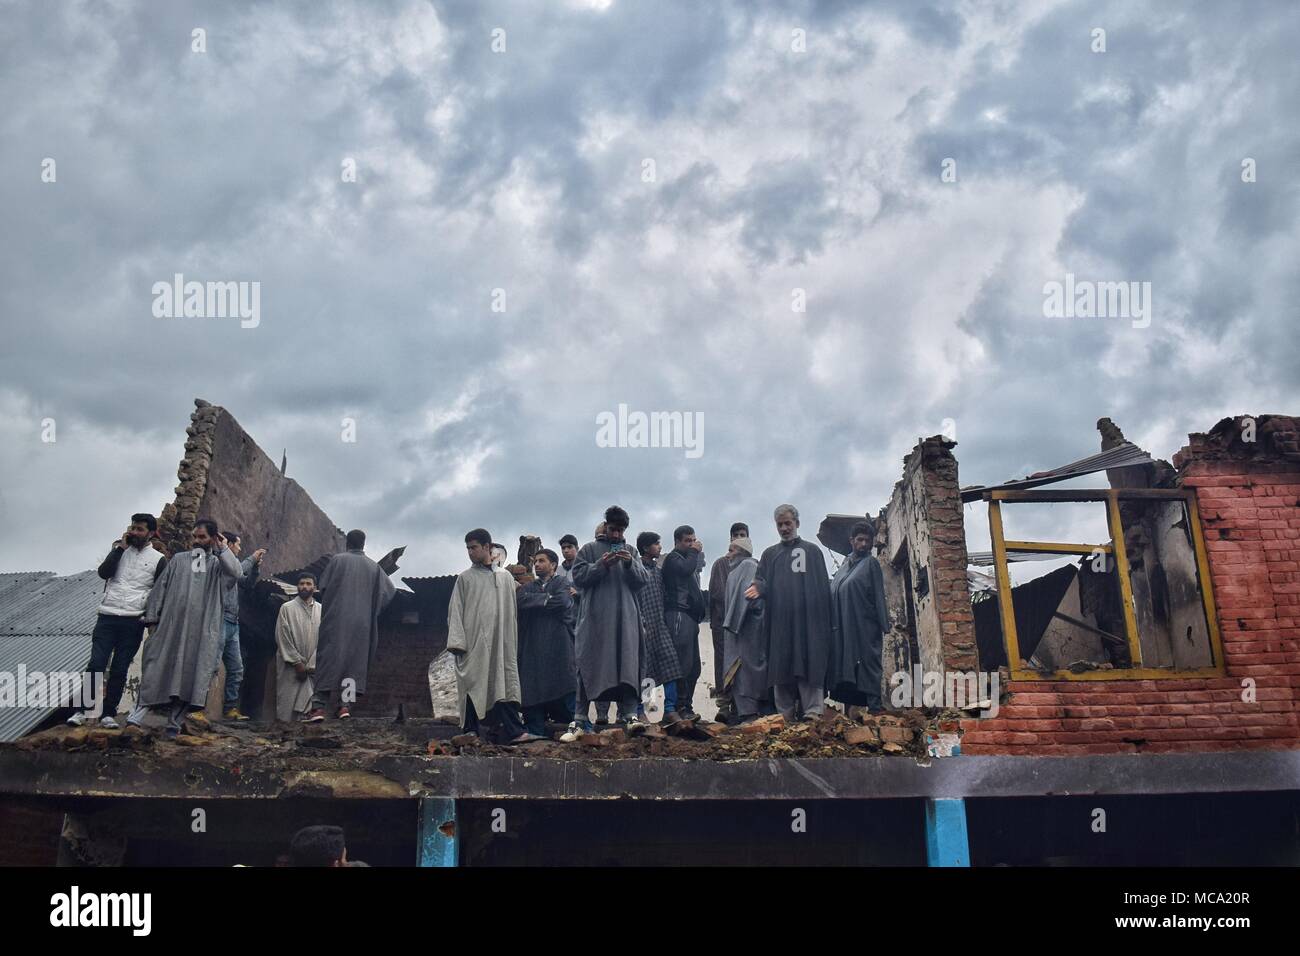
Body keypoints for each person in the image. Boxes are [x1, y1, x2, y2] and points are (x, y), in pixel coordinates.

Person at [128, 519, 240, 737]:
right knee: (156, 671)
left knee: (191, 676)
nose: (197, 541)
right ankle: (135, 719)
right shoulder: (179, 560)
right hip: (171, 629)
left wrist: (223, 548)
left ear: (213, 538)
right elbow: (160, 589)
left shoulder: (219, 566)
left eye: (202, 537)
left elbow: (236, 574)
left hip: (200, 633)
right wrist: (152, 620)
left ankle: (174, 724)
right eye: (195, 537)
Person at [68, 514, 168, 729]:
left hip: (134, 620)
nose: (134, 532)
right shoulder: (119, 551)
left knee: (120, 668)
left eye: (140, 529)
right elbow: (104, 573)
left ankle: (108, 713)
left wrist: (152, 620)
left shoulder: (158, 559)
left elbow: (159, 592)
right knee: (96, 663)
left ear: (150, 533)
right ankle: (83, 710)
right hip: (107, 615)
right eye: (133, 527)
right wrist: (120, 548)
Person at [562, 506, 648, 740]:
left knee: (628, 664)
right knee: (588, 663)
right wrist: (602, 565)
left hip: (625, 621)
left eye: (620, 531)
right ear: (605, 526)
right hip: (595, 621)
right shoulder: (589, 550)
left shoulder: (631, 551)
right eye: (613, 530)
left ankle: (630, 715)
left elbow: (643, 580)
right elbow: (579, 578)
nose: (616, 535)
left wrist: (630, 563)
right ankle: (580, 719)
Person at [745, 504, 831, 721]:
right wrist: (758, 588)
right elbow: (761, 579)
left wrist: (823, 622)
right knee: (781, 666)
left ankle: (812, 712)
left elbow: (823, 589)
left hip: (808, 623)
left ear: (797, 524)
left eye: (788, 523)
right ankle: (784, 716)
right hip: (780, 622)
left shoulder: (812, 552)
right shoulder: (769, 554)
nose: (784, 528)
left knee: (809, 662)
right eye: (780, 524)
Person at [447, 529, 532, 744]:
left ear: (487, 547)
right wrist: (458, 642)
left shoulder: (504, 577)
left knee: (503, 683)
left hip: (501, 642)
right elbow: (455, 610)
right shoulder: (464, 578)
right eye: (467, 548)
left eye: (473, 547)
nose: (470, 552)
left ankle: (514, 731)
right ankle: (470, 731)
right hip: (474, 642)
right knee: (472, 683)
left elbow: (513, 608)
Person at [303, 529, 396, 722]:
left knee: (329, 659)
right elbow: (389, 591)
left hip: (336, 620)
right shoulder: (374, 568)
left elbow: (324, 586)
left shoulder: (337, 560)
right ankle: (345, 707)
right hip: (362, 625)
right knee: (354, 663)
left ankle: (319, 707)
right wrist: (371, 609)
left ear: (347, 543)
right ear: (363, 544)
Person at [827, 520, 890, 712]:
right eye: (860, 540)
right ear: (851, 541)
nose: (864, 544)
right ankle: (848, 713)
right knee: (846, 665)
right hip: (843, 626)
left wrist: (883, 624)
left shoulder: (870, 563)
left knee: (868, 663)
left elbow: (879, 595)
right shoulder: (845, 565)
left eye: (868, 541)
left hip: (864, 625)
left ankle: (875, 707)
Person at [515, 548, 577, 737]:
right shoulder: (528, 587)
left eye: (542, 561)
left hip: (558, 645)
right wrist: (547, 599)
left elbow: (563, 602)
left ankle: (577, 727)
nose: (537, 565)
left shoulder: (562, 582)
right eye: (535, 562)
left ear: (553, 565)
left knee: (566, 685)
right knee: (532, 691)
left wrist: (539, 602)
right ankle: (536, 732)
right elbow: (520, 601)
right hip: (532, 647)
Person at [215, 532, 265, 721]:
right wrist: (251, 559)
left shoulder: (235, 566)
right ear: (228, 544)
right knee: (211, 666)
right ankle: (198, 709)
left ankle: (230, 709)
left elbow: (247, 583)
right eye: (238, 544)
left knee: (236, 668)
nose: (240, 548)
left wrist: (255, 569)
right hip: (219, 619)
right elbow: (237, 571)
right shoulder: (220, 562)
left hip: (233, 622)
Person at [634, 532, 683, 721]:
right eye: (656, 544)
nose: (660, 547)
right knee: (644, 672)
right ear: (646, 548)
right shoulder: (637, 569)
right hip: (642, 626)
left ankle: (669, 710)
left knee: (670, 665)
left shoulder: (657, 570)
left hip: (660, 625)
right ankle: (641, 711)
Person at [722, 537, 770, 721]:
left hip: (749, 629)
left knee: (749, 670)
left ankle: (751, 712)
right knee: (739, 672)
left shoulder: (749, 566)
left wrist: (735, 620)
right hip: (736, 631)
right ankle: (743, 712)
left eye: (732, 550)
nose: (728, 555)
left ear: (742, 552)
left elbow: (751, 599)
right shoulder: (734, 572)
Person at [661, 525, 706, 721]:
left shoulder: (687, 559)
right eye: (688, 541)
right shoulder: (674, 559)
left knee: (694, 667)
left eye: (693, 540)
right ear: (677, 542)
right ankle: (679, 707)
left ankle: (687, 705)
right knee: (683, 665)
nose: (692, 544)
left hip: (689, 618)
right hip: (678, 616)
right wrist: (694, 552)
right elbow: (686, 570)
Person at [708, 522, 750, 721]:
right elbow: (717, 595)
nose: (739, 537)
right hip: (724, 625)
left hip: (746, 626)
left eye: (743, 534)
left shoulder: (752, 564)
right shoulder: (720, 564)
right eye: (736, 535)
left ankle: (742, 704)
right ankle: (724, 704)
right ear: (730, 538)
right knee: (723, 663)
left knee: (744, 665)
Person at [275, 573, 320, 722]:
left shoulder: (321, 610)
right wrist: (297, 662)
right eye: (301, 584)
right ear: (297, 587)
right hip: (290, 666)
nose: (304, 587)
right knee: (287, 706)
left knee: (307, 710)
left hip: (311, 667)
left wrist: (311, 664)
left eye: (308, 583)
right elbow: (283, 636)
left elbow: (324, 640)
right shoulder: (287, 608)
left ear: (315, 588)